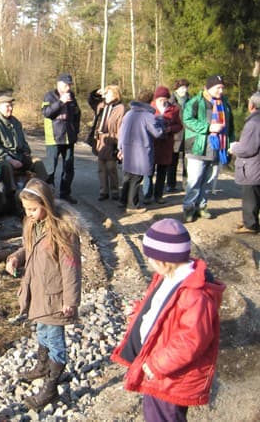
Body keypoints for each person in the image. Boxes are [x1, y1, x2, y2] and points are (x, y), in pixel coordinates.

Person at [111, 218, 225, 422]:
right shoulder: (167, 277)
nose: (150, 264)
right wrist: (139, 311)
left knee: (164, 416)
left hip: (170, 377)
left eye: (151, 260)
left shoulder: (195, 295)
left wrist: (157, 365)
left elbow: (191, 342)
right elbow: (160, 310)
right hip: (159, 370)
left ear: (164, 260)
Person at [5, 178, 82, 410]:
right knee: (41, 330)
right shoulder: (33, 224)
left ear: (46, 204)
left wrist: (70, 300)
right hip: (37, 290)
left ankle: (51, 388)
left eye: (33, 209)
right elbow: (30, 247)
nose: (28, 213)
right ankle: (42, 366)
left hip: (55, 296)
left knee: (55, 340)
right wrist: (16, 257)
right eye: (26, 209)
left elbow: (71, 267)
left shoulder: (63, 231)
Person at [182, 75, 235, 223]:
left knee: (208, 180)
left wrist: (231, 142)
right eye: (218, 87)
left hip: (217, 148)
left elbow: (230, 126)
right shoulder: (195, 102)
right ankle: (188, 208)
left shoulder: (225, 104)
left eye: (222, 87)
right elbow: (187, 120)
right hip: (198, 148)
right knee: (194, 180)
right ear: (208, 87)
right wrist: (208, 127)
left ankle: (201, 206)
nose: (221, 90)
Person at [0, 95, 48, 198]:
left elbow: (22, 140)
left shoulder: (15, 122)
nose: (11, 108)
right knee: (6, 167)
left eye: (11, 106)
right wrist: (9, 159)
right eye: (7, 106)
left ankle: (42, 191)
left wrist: (26, 152)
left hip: (19, 155)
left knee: (38, 163)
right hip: (2, 158)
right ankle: (13, 196)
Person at [117, 90, 164, 213]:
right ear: (151, 101)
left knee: (128, 176)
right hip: (141, 150)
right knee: (136, 178)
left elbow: (121, 132)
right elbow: (157, 133)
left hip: (127, 149)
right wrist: (161, 120)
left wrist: (120, 148)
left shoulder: (129, 113)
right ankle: (132, 205)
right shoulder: (148, 116)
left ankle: (123, 201)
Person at [42, 73, 82, 203]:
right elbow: (46, 113)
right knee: (50, 168)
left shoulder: (72, 96)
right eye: (66, 84)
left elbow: (77, 113)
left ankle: (65, 193)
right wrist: (61, 102)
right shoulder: (49, 96)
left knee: (69, 167)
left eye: (70, 84)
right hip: (54, 138)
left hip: (69, 138)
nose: (68, 87)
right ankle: (49, 195)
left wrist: (75, 131)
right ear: (58, 84)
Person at [142, 86, 183, 204]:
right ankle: (147, 195)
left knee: (162, 172)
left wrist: (170, 129)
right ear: (155, 99)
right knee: (148, 171)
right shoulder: (150, 108)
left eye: (165, 98)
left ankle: (158, 195)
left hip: (166, 144)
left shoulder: (174, 109)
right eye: (160, 99)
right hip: (152, 144)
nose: (163, 101)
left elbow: (179, 126)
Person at [87, 85, 126, 201]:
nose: (105, 96)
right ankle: (103, 191)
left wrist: (119, 145)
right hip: (100, 140)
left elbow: (120, 127)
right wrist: (97, 93)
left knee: (111, 168)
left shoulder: (120, 108)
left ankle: (115, 191)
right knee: (101, 168)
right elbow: (91, 101)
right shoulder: (102, 106)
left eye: (108, 93)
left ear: (115, 94)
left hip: (112, 140)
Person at [229, 91, 260, 234]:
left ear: (252, 105)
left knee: (250, 196)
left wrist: (234, 147)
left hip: (253, 167)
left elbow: (248, 149)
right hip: (256, 165)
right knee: (255, 195)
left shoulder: (254, 122)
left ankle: (250, 224)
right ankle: (250, 219)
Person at [166, 79, 190, 192]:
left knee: (188, 162)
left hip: (189, 134)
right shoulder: (170, 102)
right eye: (181, 87)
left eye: (185, 87)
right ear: (176, 89)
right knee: (172, 161)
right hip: (175, 135)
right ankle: (171, 184)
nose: (184, 90)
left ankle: (186, 184)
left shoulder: (191, 101)